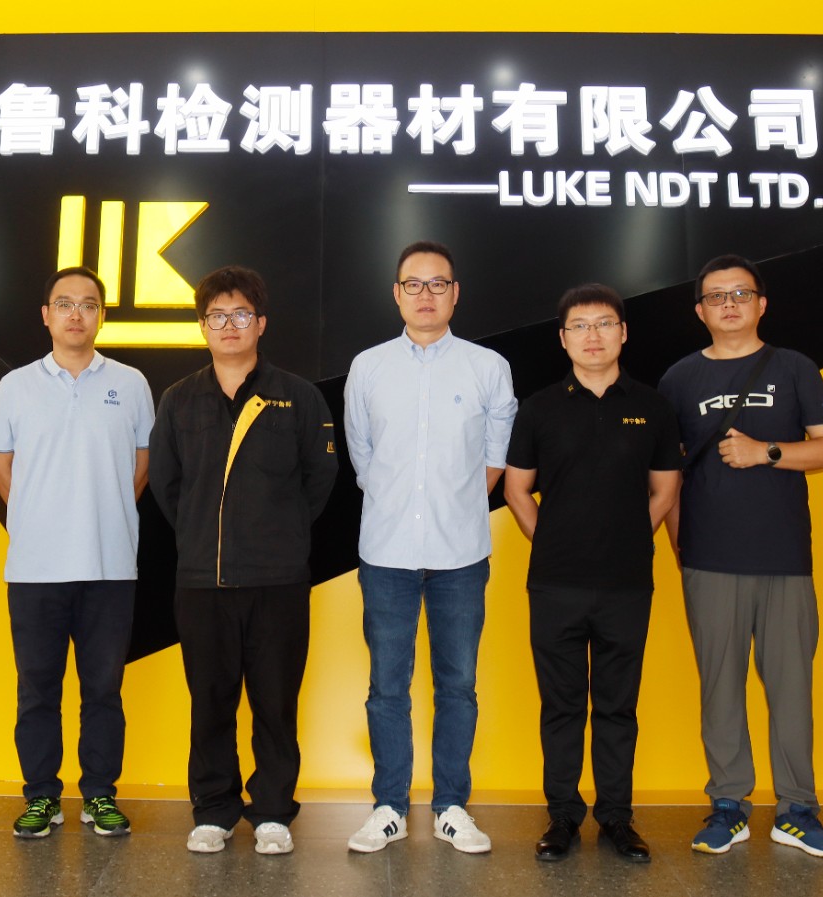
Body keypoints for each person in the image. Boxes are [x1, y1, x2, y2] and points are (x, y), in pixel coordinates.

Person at [657, 254, 823, 858]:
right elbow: (668, 475)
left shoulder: (795, 368)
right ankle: (728, 805)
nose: (730, 304)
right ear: (700, 311)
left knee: (791, 688)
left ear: (762, 304)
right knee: (719, 687)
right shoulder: (679, 379)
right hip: (709, 557)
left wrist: (766, 451)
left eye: (741, 294)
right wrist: (681, 547)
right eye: (717, 296)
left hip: (785, 556)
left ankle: (797, 809)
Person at [149, 266, 338, 856]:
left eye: (240, 315)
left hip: (278, 580)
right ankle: (214, 810)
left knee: (275, 702)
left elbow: (319, 479)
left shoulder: (298, 396)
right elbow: (167, 486)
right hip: (201, 580)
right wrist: (204, 535)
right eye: (216, 316)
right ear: (202, 326)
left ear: (261, 323)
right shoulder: (179, 399)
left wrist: (276, 535)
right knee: (210, 702)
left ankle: (274, 811)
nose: (229, 325)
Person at [342, 240, 518, 854]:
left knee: (458, 686)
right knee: (386, 688)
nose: (425, 295)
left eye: (437, 284)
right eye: (413, 284)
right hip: (385, 553)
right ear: (396, 294)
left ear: (455, 293)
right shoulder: (368, 367)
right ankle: (388, 806)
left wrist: (450, 503)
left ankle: (451, 807)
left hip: (461, 555)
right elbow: (363, 456)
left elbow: (494, 463)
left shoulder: (487, 367)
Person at [504, 284, 681, 863]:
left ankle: (616, 818)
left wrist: (629, 538)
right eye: (580, 326)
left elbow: (665, 490)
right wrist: (552, 541)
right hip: (555, 583)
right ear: (563, 339)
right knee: (560, 706)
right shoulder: (539, 408)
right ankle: (561, 817)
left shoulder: (653, 406)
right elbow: (516, 489)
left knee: (617, 707)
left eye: (604, 324)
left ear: (623, 333)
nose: (593, 336)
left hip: (626, 584)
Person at [0, 266, 154, 838]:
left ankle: (100, 794)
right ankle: (41, 796)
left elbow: (141, 467)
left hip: (110, 566)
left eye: (87, 304)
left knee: (103, 689)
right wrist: (39, 519)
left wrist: (101, 513)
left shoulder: (131, 383)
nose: (76, 314)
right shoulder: (15, 386)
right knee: (37, 690)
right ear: (46, 315)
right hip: (35, 569)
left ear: (101, 315)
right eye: (64, 304)